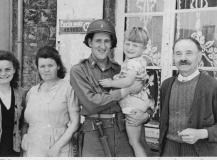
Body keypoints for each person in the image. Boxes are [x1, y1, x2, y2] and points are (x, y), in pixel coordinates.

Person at [70, 19, 151, 157]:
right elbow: (92, 103)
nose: (103, 46)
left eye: (107, 41)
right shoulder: (79, 70)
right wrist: (126, 90)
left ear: (112, 44)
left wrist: (147, 115)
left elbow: (146, 94)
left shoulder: (121, 69)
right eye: (98, 41)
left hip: (123, 131)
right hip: (94, 133)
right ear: (90, 43)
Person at [99, 27, 155, 157]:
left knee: (134, 142)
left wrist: (110, 83)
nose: (130, 48)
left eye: (135, 45)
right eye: (127, 44)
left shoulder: (133, 63)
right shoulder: (135, 61)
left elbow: (127, 82)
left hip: (133, 106)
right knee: (139, 140)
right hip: (138, 102)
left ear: (144, 48)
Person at [159, 37, 217, 157]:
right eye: (178, 54)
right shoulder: (166, 84)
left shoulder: (212, 86)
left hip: (199, 152)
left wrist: (202, 133)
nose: (183, 58)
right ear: (174, 57)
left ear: (199, 56)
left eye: (189, 53)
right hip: (168, 150)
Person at [21, 46, 80, 157]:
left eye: (50, 65)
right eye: (42, 66)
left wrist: (57, 147)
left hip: (57, 146)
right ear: (37, 68)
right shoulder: (32, 92)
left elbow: (75, 123)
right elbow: (25, 123)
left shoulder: (67, 89)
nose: (46, 70)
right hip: (33, 147)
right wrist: (25, 137)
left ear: (58, 66)